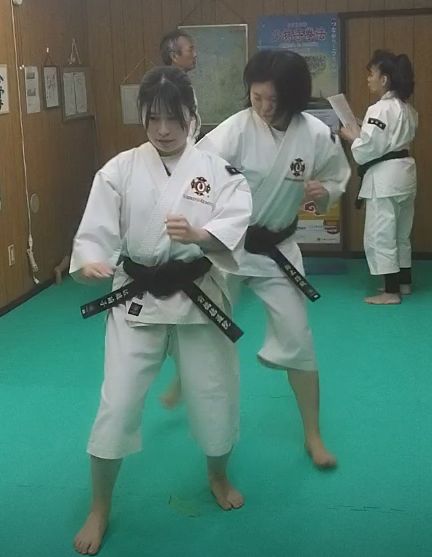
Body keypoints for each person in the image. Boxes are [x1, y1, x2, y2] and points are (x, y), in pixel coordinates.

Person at [71, 65, 252, 555]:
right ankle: (99, 507)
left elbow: (236, 220)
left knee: (214, 394)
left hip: (198, 295)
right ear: (143, 118)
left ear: (192, 115)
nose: (164, 130)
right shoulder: (120, 170)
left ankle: (217, 475)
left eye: (174, 118)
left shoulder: (218, 172)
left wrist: (200, 235)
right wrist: (91, 259)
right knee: (117, 403)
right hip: (138, 295)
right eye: (153, 119)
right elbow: (96, 230)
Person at [162, 50, 351, 468]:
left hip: (277, 249)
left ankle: (313, 434)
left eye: (274, 100)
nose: (264, 107)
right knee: (205, 322)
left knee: (299, 338)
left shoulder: (315, 134)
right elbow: (196, 175)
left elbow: (337, 174)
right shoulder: (234, 131)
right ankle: (181, 379)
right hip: (229, 245)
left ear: (295, 97)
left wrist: (326, 190)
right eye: (256, 97)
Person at [340, 50, 417, 305]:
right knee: (401, 234)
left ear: (384, 79)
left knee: (381, 234)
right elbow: (387, 139)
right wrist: (362, 127)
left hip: (385, 180)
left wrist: (353, 137)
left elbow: (369, 149)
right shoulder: (407, 109)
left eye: (371, 74)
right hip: (405, 175)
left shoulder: (379, 108)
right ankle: (404, 283)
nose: (368, 79)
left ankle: (390, 292)